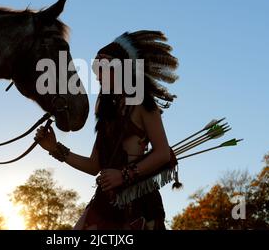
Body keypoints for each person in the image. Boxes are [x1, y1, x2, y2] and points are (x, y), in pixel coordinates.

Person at [35, 30, 179, 230]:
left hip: (137, 204)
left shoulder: (144, 106)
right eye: (96, 71)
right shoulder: (105, 110)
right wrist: (54, 148)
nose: (98, 77)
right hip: (104, 204)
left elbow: (163, 153)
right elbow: (94, 165)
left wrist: (124, 175)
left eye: (102, 69)